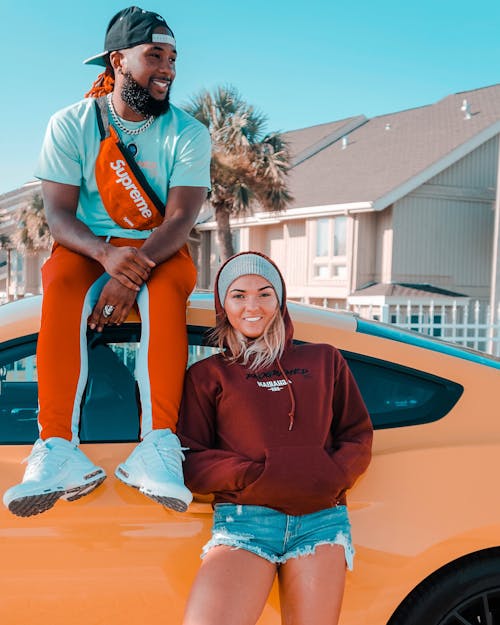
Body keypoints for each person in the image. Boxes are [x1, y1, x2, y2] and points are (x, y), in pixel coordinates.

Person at [3, 6, 211, 518]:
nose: (167, 69)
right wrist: (104, 255)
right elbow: (57, 215)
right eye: (154, 56)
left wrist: (130, 271)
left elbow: (181, 218)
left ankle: (158, 447)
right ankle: (56, 448)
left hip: (159, 248)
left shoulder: (188, 132)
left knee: (165, 293)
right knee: (60, 282)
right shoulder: (71, 124)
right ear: (118, 60)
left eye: (173, 58)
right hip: (88, 246)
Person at [177, 252, 373, 625]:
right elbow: (192, 458)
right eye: (239, 295)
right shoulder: (208, 375)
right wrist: (254, 476)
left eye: (265, 294)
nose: (253, 306)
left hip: (320, 522)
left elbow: (357, 434)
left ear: (279, 300)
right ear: (224, 304)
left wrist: (329, 475)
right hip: (243, 523)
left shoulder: (324, 360)